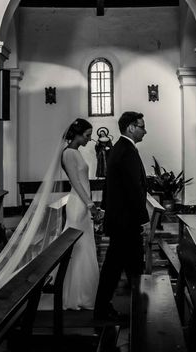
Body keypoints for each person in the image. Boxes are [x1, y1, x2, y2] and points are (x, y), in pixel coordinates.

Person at [94, 111, 149, 320]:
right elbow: (134, 189)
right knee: (118, 267)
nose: (145, 130)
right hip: (126, 223)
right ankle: (109, 310)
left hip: (120, 221)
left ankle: (138, 306)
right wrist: (144, 219)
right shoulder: (126, 151)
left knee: (128, 265)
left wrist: (106, 209)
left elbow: (109, 185)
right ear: (131, 128)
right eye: (142, 126)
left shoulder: (120, 148)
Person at [61, 118, 100, 309]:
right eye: (87, 135)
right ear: (76, 134)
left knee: (85, 247)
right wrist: (90, 204)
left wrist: (89, 205)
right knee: (78, 249)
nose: (89, 139)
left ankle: (85, 293)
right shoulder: (69, 153)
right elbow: (76, 183)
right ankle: (75, 296)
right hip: (78, 205)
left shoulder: (76, 152)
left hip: (83, 204)